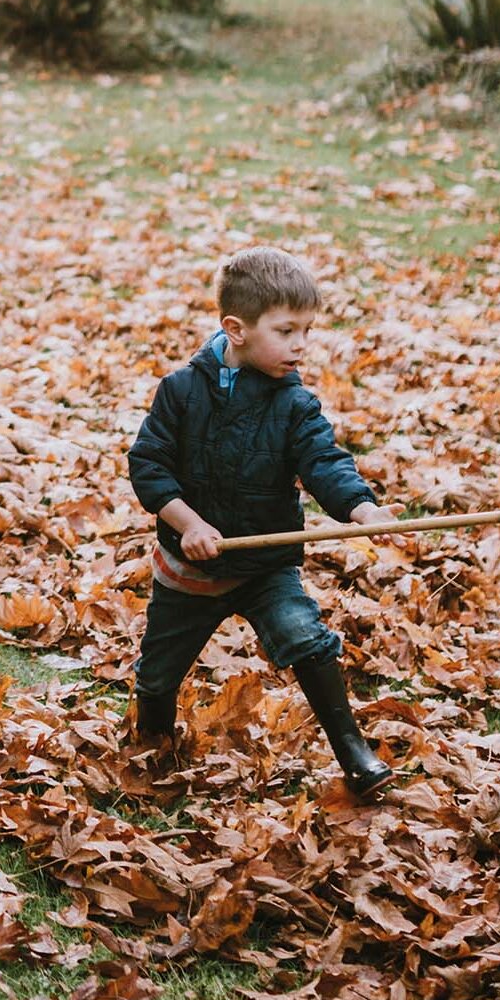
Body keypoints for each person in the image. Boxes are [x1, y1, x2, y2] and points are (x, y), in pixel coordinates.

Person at [125, 245, 400, 800]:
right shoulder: (180, 392)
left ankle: (352, 751)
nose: (301, 345)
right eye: (286, 330)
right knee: (157, 674)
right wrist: (189, 525)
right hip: (191, 568)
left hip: (264, 566)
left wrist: (360, 507)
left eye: (308, 331)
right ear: (236, 328)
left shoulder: (294, 404)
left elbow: (324, 461)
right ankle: (152, 740)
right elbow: (148, 467)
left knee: (306, 637)